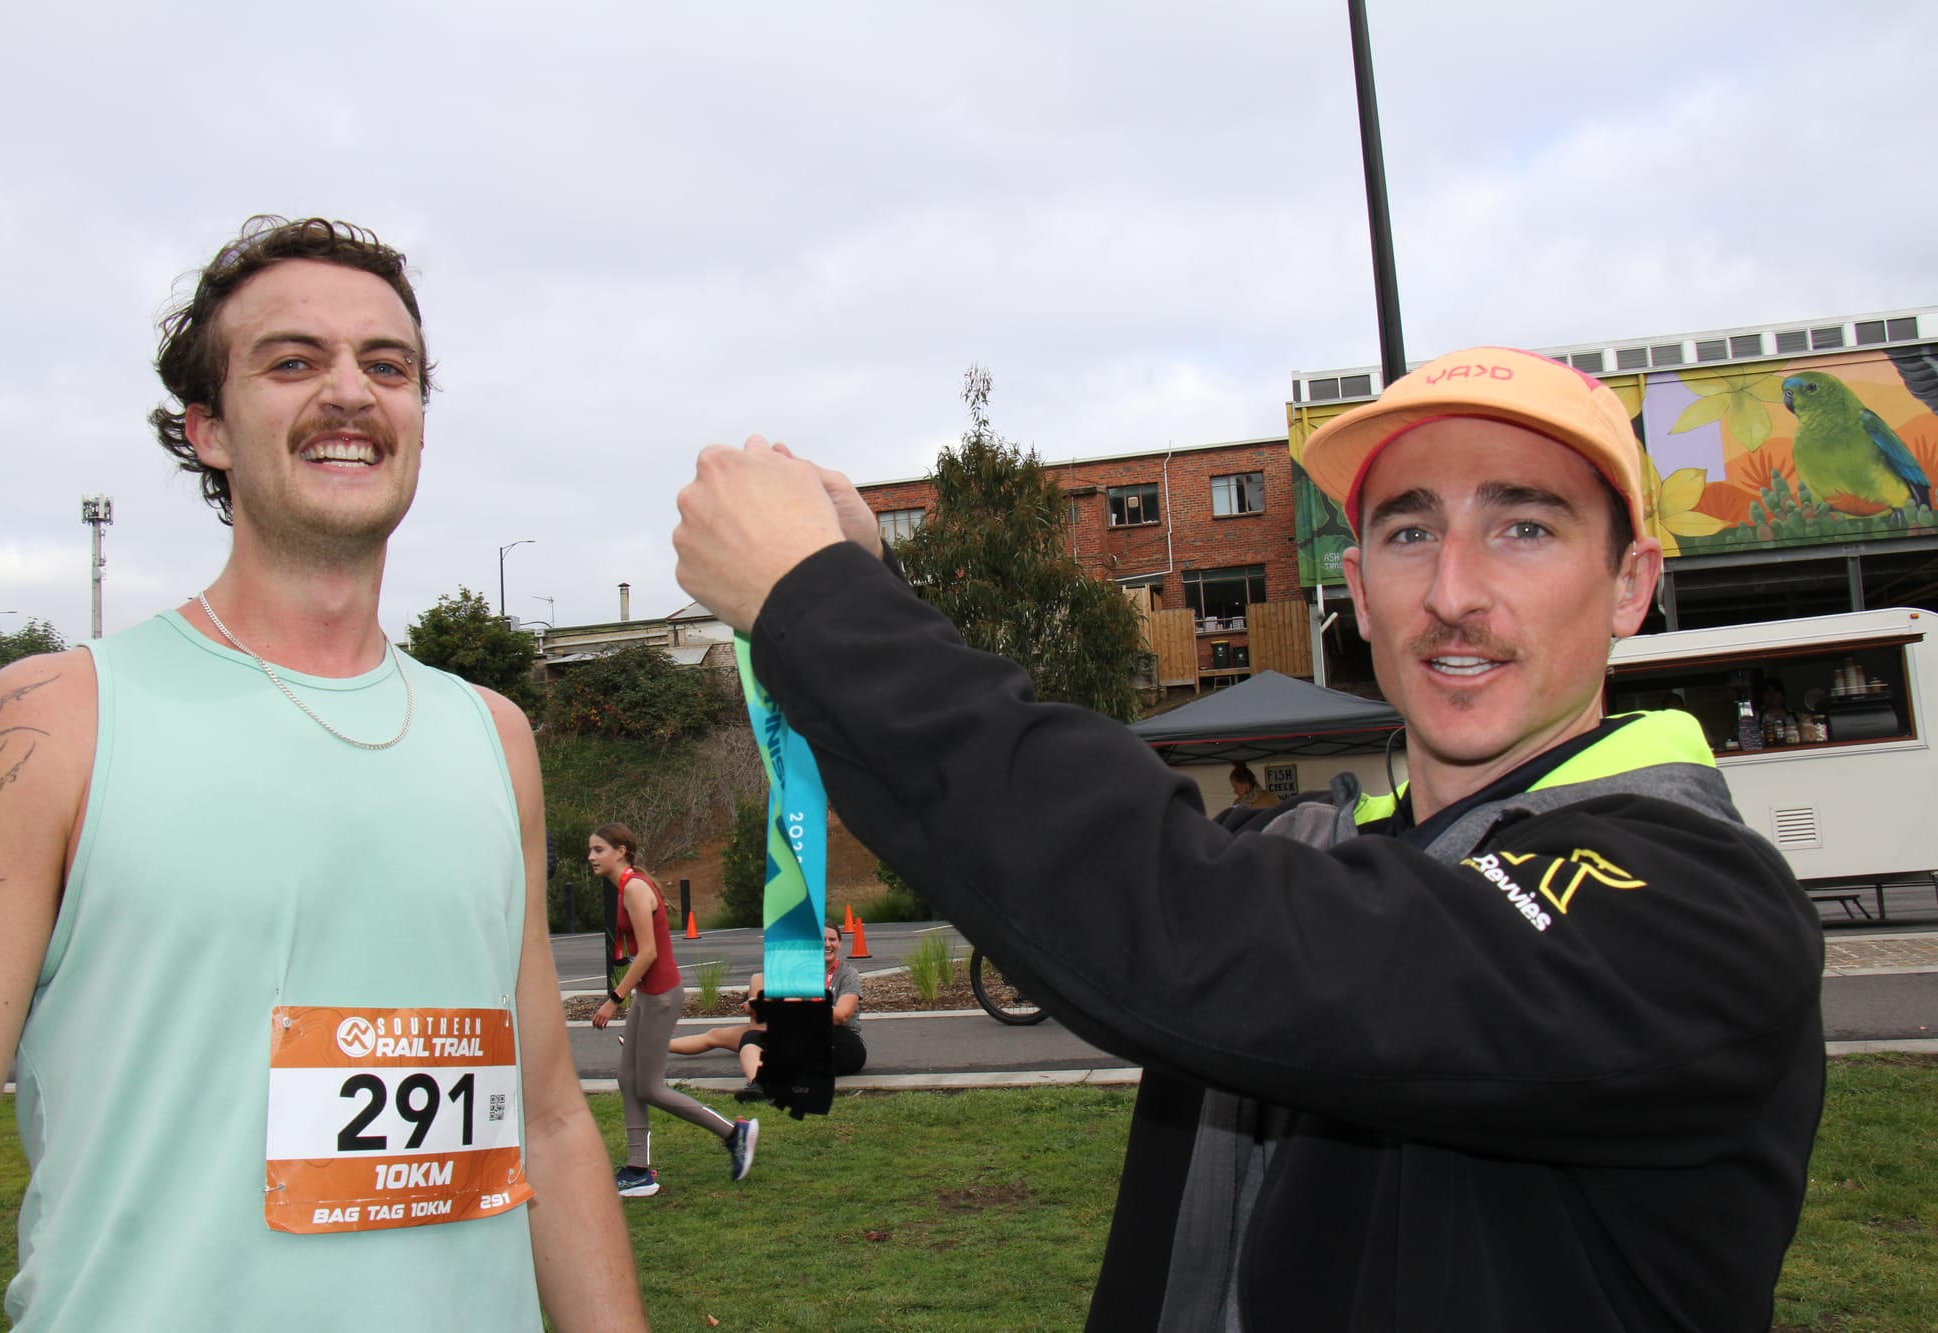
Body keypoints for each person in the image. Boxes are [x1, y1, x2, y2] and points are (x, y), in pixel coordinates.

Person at [670, 347, 1825, 1332]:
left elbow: (1196, 925)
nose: (1454, 591)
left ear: (1629, 585)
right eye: (1408, 532)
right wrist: (869, 591)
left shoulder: (1693, 901)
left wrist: (820, 603)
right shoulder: (1316, 846)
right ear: (1357, 590)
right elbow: (1061, 857)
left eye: (1524, 526)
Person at [0, 217, 643, 1332]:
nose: (351, 393)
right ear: (208, 428)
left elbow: (547, 1122)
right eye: (293, 361)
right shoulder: (53, 721)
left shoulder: (493, 737)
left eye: (388, 365)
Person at [587, 824, 757, 1195]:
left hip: (661, 997)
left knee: (649, 1086)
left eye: (598, 850)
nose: (591, 857)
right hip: (649, 996)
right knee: (627, 1079)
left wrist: (613, 1000)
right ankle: (637, 1170)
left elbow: (647, 953)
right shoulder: (626, 885)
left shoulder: (632, 888)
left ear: (620, 851)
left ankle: (734, 1134)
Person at [669, 923, 866, 1094]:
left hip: (838, 1037)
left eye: (832, 939)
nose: (826, 944)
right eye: (820, 940)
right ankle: (758, 1084)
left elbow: (842, 1015)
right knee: (725, 1034)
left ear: (839, 943)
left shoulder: (847, 974)